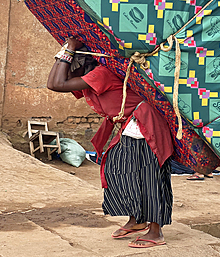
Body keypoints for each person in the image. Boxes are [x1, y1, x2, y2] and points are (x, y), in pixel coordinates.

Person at [47, 36, 174, 248]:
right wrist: (64, 52)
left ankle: (155, 232)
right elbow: (53, 83)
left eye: (69, 63)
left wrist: (69, 49)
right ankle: (137, 220)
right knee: (119, 170)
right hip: (130, 126)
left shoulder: (101, 73)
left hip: (145, 125)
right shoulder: (89, 78)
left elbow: (59, 83)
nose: (66, 69)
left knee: (150, 177)